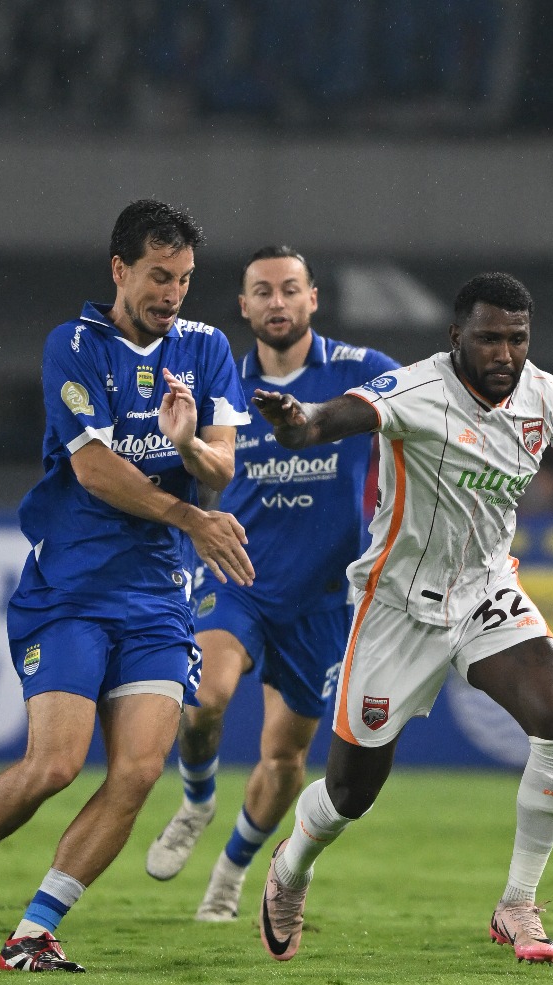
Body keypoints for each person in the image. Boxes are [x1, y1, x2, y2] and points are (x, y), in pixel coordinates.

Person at [0, 198, 254, 972]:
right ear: (120, 269)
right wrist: (189, 516)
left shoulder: (207, 348)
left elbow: (222, 469)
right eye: (158, 276)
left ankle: (34, 933)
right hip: (71, 591)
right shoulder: (75, 346)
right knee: (54, 766)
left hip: (156, 599)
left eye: (184, 279)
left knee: (138, 770)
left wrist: (189, 446)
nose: (172, 294)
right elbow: (94, 471)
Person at [250, 271, 553, 964]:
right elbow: (331, 420)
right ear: (456, 337)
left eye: (517, 338)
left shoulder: (546, 398)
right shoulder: (416, 390)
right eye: (488, 338)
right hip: (397, 606)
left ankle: (517, 903)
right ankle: (291, 867)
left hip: (485, 593)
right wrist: (297, 426)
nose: (505, 354)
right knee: (350, 794)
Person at [144, 246, 398, 918]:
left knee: (284, 758)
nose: (277, 302)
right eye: (263, 291)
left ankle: (230, 872)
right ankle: (196, 801)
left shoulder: (362, 371)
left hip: (323, 597)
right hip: (237, 576)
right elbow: (186, 462)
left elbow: (430, 420)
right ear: (244, 305)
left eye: (289, 289)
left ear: (313, 298)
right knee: (203, 698)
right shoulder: (219, 379)